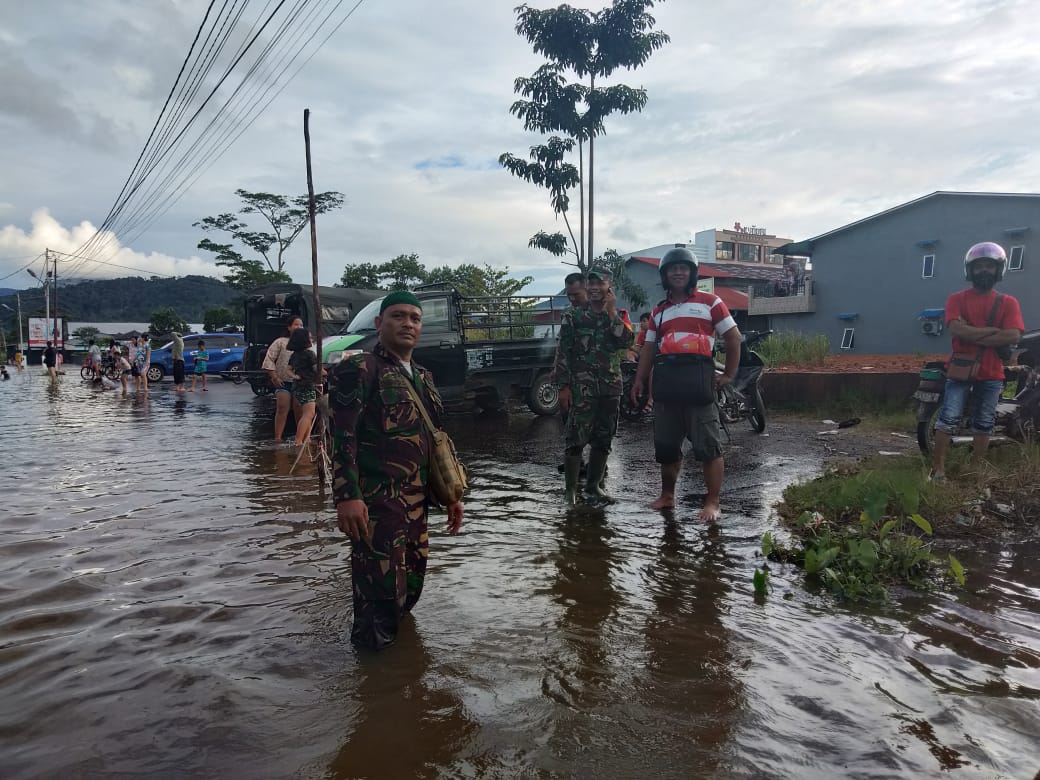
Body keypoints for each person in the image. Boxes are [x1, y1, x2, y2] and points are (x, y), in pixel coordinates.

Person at [330, 290, 463, 650]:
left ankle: (399, 673)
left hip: (417, 505)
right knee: (379, 595)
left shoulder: (424, 376)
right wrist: (347, 496)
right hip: (376, 506)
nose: (407, 324)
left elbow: (434, 442)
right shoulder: (358, 369)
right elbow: (342, 438)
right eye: (398, 316)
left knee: (412, 587)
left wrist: (450, 495)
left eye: (415, 318)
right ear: (379, 324)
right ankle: (372, 683)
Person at [631, 246, 742, 521]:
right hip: (667, 386)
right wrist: (639, 381)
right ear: (665, 275)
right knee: (666, 447)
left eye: (683, 268)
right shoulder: (659, 311)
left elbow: (733, 338)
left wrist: (728, 374)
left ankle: (713, 502)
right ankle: (667, 496)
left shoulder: (711, 302)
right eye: (673, 269)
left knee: (708, 448)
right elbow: (648, 349)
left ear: (692, 273)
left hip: (698, 384)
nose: (678, 272)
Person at [931, 242, 1024, 481]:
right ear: (970, 270)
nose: (984, 270)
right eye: (979, 266)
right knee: (948, 418)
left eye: (989, 266)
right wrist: (994, 332)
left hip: (992, 373)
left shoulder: (1008, 302)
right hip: (960, 369)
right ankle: (937, 470)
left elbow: (1013, 335)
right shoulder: (956, 299)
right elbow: (956, 330)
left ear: (998, 270)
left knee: (984, 422)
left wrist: (972, 331)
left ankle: (976, 469)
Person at [555, 267, 634, 505]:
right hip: (582, 389)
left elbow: (626, 341)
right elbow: (563, 352)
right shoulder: (573, 315)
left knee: (603, 439)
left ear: (609, 286)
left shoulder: (616, 315)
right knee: (575, 440)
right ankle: (570, 490)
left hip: (610, 388)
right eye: (591, 283)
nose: (594, 287)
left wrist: (611, 313)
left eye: (599, 283)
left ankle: (593, 486)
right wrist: (564, 387)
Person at [262, 316, 304, 441]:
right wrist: (274, 377)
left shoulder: (306, 343)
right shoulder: (280, 342)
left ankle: (299, 437)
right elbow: (269, 359)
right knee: (282, 408)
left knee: (299, 410)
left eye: (301, 325)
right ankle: (278, 438)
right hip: (283, 382)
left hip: (300, 382)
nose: (299, 327)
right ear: (289, 327)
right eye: (296, 325)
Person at [287, 328, 321, 447]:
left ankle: (307, 439)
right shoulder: (309, 354)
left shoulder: (294, 355)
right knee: (309, 414)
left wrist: (295, 376)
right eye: (310, 337)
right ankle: (299, 440)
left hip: (297, 387)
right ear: (305, 340)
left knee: (305, 414)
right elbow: (317, 369)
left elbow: (288, 370)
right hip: (307, 386)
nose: (312, 339)